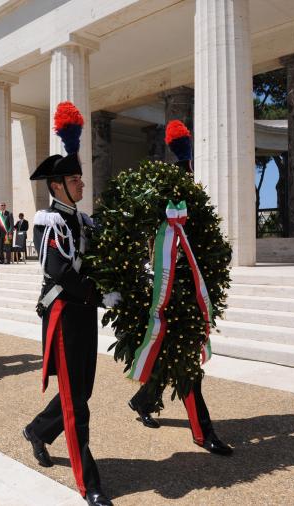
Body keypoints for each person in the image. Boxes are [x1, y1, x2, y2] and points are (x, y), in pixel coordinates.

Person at [22, 101, 114, 506]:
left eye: (80, 178)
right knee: (77, 404)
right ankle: (89, 482)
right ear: (57, 184)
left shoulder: (84, 220)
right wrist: (99, 294)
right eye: (75, 179)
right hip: (63, 317)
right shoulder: (50, 222)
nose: (81, 184)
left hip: (84, 316)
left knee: (82, 392)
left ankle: (38, 431)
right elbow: (61, 272)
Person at [128, 119, 233, 456]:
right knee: (187, 366)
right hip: (166, 291)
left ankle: (142, 400)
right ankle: (204, 433)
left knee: (176, 359)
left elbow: (203, 245)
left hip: (189, 293)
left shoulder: (195, 211)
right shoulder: (162, 212)